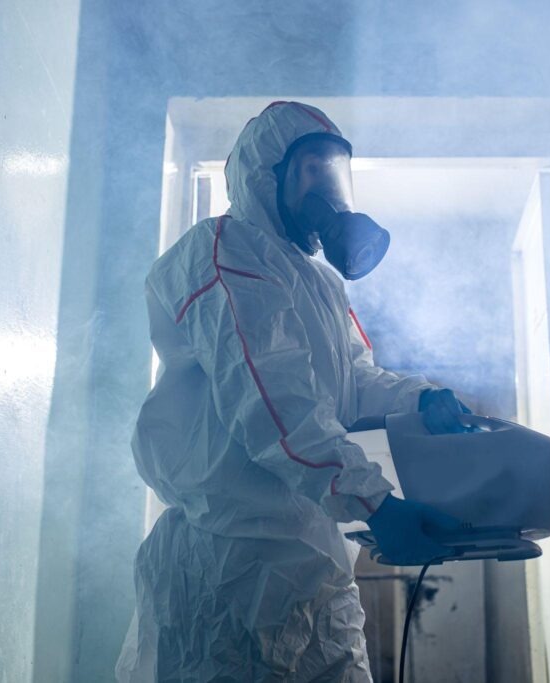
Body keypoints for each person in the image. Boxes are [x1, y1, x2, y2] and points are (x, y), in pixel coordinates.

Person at [116, 101, 471, 682]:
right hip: (232, 569)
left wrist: (421, 399)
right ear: (265, 175)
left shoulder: (323, 285)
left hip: (313, 558)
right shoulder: (222, 248)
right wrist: (373, 504)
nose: (329, 189)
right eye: (311, 169)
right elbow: (271, 397)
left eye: (336, 172)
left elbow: (354, 379)